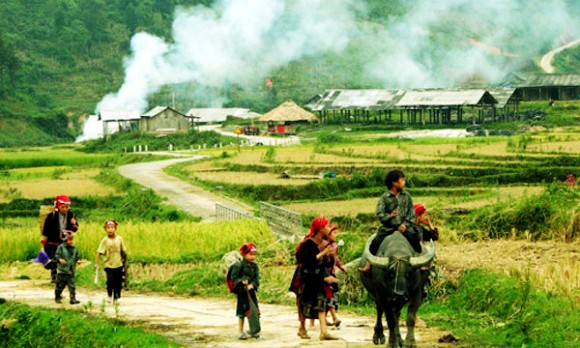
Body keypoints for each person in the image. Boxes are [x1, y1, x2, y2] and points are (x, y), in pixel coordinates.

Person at [359, 169, 420, 272]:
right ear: (394, 183)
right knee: (375, 242)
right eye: (402, 180)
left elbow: (411, 213)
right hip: (388, 228)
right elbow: (380, 214)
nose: (404, 182)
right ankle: (368, 265)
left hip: (405, 227)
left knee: (416, 238)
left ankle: (420, 262)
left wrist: (404, 225)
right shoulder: (384, 198)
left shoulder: (407, 196)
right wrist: (390, 217)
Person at [292, 216, 339, 341]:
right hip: (305, 277)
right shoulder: (309, 243)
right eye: (327, 226)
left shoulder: (324, 243)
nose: (329, 229)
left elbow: (325, 264)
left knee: (321, 301)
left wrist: (329, 257)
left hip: (317, 276)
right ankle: (302, 328)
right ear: (321, 229)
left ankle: (324, 332)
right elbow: (309, 263)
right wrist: (323, 253)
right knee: (303, 303)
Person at [41, 195, 79, 283]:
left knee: (65, 260)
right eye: (63, 207)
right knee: (55, 259)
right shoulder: (52, 216)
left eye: (67, 207)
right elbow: (46, 231)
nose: (65, 209)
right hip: (52, 242)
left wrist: (74, 224)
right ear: (58, 206)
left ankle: (66, 276)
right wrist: (43, 245)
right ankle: (54, 276)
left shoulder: (71, 215)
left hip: (64, 242)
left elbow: (75, 229)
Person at [231, 242, 260, 340]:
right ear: (244, 254)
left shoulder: (255, 266)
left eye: (254, 255)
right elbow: (234, 277)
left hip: (251, 292)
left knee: (253, 311)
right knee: (242, 312)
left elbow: (256, 278)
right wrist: (241, 282)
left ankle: (253, 330)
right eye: (250, 254)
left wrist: (253, 285)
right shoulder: (239, 265)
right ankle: (240, 331)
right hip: (242, 292)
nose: (252, 257)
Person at [95, 219, 128, 304]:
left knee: (118, 282)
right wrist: (97, 263)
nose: (110, 229)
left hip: (118, 264)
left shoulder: (119, 239)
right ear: (105, 229)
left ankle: (116, 298)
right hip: (108, 264)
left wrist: (125, 262)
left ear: (115, 228)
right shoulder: (105, 240)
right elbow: (99, 252)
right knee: (110, 280)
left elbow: (123, 251)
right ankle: (109, 294)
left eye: (112, 227)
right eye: (108, 228)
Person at [324, 224, 347, 327]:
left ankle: (324, 318)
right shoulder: (323, 245)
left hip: (332, 272)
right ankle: (334, 317)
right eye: (333, 233)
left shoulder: (335, 246)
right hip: (324, 274)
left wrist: (341, 267)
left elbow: (336, 258)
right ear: (327, 234)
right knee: (329, 294)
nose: (335, 235)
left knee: (333, 294)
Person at [54, 233, 81, 304]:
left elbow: (77, 256)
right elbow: (57, 256)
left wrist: (78, 260)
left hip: (71, 271)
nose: (71, 241)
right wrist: (59, 260)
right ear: (65, 240)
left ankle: (73, 299)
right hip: (62, 271)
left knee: (72, 286)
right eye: (69, 240)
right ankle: (57, 297)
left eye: (72, 240)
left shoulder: (74, 248)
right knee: (60, 285)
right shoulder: (61, 247)